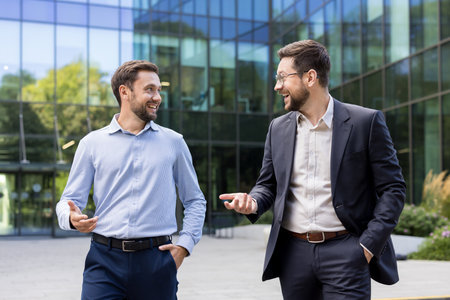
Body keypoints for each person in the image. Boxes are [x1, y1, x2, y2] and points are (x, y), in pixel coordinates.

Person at [220, 40, 405, 300]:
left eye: (283, 77)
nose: (277, 86)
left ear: (310, 77)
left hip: (347, 252)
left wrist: (366, 246)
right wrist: (252, 203)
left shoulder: (366, 122)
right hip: (293, 255)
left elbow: (393, 189)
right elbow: (268, 185)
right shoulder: (278, 128)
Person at [56, 60, 206, 300]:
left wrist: (184, 246)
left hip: (156, 262)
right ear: (124, 92)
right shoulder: (92, 143)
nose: (157, 97)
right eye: (149, 89)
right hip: (104, 261)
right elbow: (69, 200)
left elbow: (195, 200)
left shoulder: (174, 142)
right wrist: (72, 219)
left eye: (158, 90)